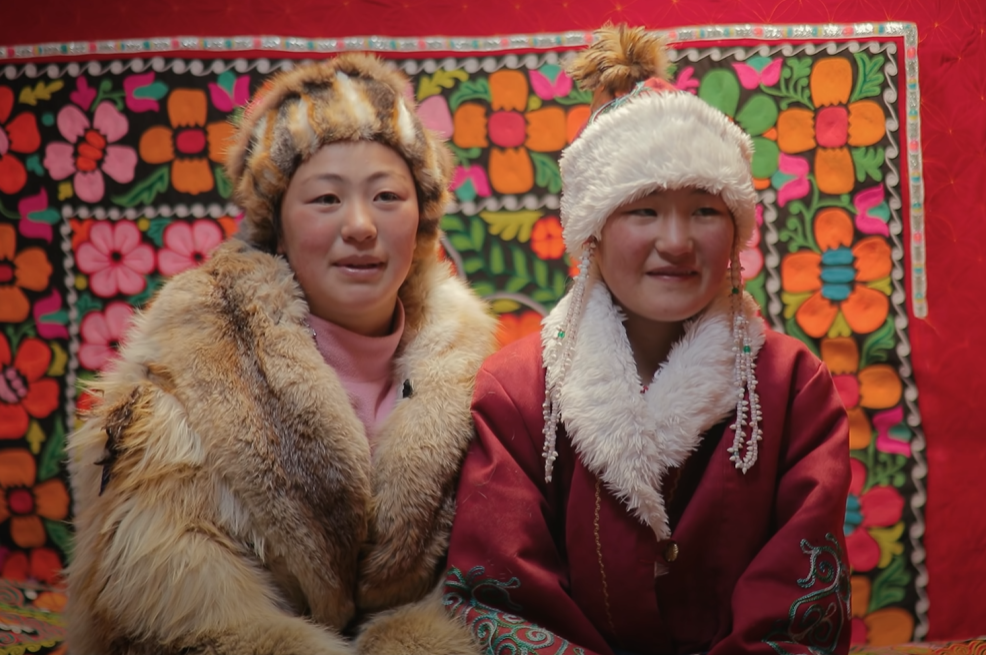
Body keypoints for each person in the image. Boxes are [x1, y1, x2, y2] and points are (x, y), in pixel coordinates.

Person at [65, 54, 496, 655]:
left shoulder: (477, 368)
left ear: (422, 219)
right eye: (325, 199)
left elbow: (499, 569)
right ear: (277, 225)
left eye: (388, 195)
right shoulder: (191, 364)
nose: (362, 225)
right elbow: (160, 595)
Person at [443, 25, 852, 655]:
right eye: (644, 209)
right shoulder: (517, 391)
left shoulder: (793, 386)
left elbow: (798, 606)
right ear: (592, 231)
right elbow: (499, 598)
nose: (678, 242)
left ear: (738, 229)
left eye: (705, 210)